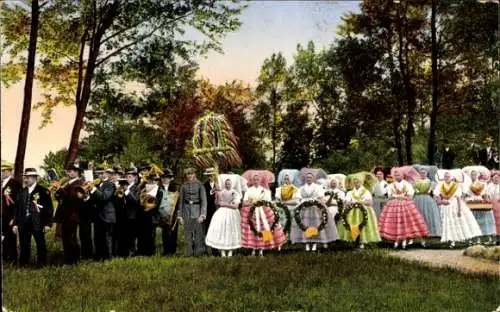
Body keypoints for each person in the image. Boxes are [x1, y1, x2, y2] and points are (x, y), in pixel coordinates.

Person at [12, 168, 53, 267]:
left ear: (35, 178)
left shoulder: (43, 191)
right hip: (23, 222)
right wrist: (15, 224)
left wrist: (47, 224)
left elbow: (49, 209)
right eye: (25, 177)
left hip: (38, 222)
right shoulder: (21, 192)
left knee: (40, 243)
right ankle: (24, 264)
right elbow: (17, 209)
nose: (26, 179)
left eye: (28, 177)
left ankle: (41, 264)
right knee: (24, 244)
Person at [378, 170, 429, 249]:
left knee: (407, 222)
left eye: (399, 175)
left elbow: (410, 196)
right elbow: (389, 196)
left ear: (402, 176)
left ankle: (405, 239)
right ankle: (397, 240)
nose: (397, 176)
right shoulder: (391, 185)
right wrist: (395, 197)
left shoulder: (407, 184)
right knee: (396, 222)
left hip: (406, 205)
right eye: (396, 175)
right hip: (393, 205)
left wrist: (403, 197)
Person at [240, 174, 286, 256]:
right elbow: (244, 202)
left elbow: (268, 202)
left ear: (260, 181)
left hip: (263, 212)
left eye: (257, 179)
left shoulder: (265, 190)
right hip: (252, 211)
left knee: (264, 228)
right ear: (252, 181)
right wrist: (252, 202)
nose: (256, 181)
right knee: (253, 230)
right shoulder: (248, 190)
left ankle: (262, 249)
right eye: (254, 179)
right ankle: (253, 249)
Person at [434, 171, 482, 248]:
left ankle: (470, 239)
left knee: (463, 221)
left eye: (448, 176)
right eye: (445, 176)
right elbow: (438, 198)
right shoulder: (440, 185)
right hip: (446, 206)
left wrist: (459, 210)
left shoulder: (456, 186)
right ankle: (452, 241)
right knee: (449, 223)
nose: (447, 178)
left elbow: (459, 199)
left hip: (455, 205)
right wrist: (441, 201)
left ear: (451, 177)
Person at [292, 172, 336, 252]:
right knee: (305, 225)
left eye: (310, 177)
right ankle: (307, 244)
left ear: (313, 179)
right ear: (305, 179)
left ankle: (315, 243)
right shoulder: (301, 188)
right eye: (307, 177)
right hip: (304, 208)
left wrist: (316, 202)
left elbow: (321, 198)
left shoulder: (318, 187)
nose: (309, 179)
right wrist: (300, 204)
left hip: (315, 208)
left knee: (315, 225)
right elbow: (298, 199)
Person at [53, 163, 85, 264]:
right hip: (64, 214)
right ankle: (68, 259)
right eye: (69, 170)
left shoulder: (79, 183)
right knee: (66, 238)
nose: (69, 172)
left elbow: (72, 199)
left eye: (72, 171)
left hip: (72, 215)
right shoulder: (68, 182)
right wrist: (57, 192)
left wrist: (60, 189)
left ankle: (74, 260)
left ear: (77, 172)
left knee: (71, 238)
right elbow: (60, 197)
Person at [337, 177, 381, 249]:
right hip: (352, 211)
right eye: (354, 182)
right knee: (352, 224)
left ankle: (361, 241)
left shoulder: (366, 191)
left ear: (361, 182)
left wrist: (360, 202)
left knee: (362, 225)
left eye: (357, 182)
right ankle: (354, 241)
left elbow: (370, 202)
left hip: (363, 210)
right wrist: (350, 202)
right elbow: (346, 202)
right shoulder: (350, 192)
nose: (356, 183)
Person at [205, 178, 242, 257]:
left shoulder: (235, 192)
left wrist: (225, 204)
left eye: (229, 183)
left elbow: (235, 206)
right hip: (222, 212)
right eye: (226, 183)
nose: (227, 185)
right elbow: (218, 203)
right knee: (222, 230)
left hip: (232, 213)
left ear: (231, 184)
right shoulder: (222, 192)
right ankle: (222, 251)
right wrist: (217, 197)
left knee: (231, 230)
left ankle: (230, 251)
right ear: (224, 184)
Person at [88, 168, 116, 260]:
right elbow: (95, 199)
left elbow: (104, 197)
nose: (102, 175)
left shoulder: (110, 185)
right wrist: (88, 193)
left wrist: (94, 189)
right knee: (97, 237)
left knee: (107, 237)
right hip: (98, 215)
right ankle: (98, 256)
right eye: (100, 173)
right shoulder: (99, 184)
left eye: (104, 173)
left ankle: (108, 258)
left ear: (109, 175)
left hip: (107, 215)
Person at [179, 168, 207, 256]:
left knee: (198, 233)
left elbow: (204, 201)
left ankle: (198, 252)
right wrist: (180, 215)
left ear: (194, 174)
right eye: (188, 174)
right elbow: (181, 202)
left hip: (197, 210)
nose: (190, 176)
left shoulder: (200, 185)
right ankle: (188, 252)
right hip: (186, 211)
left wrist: (202, 215)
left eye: (191, 174)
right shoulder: (184, 186)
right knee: (188, 233)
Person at [463, 170, 496, 244]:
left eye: (475, 174)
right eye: (472, 174)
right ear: (470, 175)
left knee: (485, 222)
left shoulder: (482, 184)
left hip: (480, 204)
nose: (474, 176)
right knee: (472, 222)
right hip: (471, 204)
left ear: (478, 175)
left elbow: (485, 195)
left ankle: (490, 238)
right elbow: (465, 194)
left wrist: (487, 201)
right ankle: (474, 239)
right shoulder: (467, 184)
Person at [1, 161, 22, 264]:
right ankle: (5, 258)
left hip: (10, 217)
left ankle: (13, 260)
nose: (1, 173)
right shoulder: (1, 184)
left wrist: (15, 218)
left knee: (11, 238)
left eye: (3, 171)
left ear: (9, 171)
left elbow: (18, 204)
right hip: (2, 216)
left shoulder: (15, 184)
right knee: (3, 238)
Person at [412, 168, 442, 238]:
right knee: (418, 214)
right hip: (417, 199)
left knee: (428, 214)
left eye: (424, 173)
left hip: (427, 199)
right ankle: (418, 231)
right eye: (421, 173)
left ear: (426, 174)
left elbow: (434, 193)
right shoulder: (415, 182)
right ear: (419, 174)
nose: (422, 174)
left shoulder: (431, 183)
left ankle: (429, 231)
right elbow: (413, 192)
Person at [157, 169, 181, 256]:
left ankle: (173, 251)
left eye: (167, 177)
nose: (165, 179)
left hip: (173, 213)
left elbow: (178, 201)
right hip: (163, 213)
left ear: (171, 178)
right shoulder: (158, 188)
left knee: (174, 232)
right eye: (163, 177)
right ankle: (166, 251)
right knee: (165, 232)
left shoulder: (175, 188)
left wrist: (178, 212)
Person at [122, 168, 140, 256]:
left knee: (132, 234)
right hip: (124, 214)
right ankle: (125, 251)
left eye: (129, 177)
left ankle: (132, 251)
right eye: (127, 177)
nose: (127, 179)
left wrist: (127, 191)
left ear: (134, 178)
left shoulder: (136, 188)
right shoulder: (124, 187)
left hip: (132, 215)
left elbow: (135, 200)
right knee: (125, 234)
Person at [203, 167, 219, 256]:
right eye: (209, 176)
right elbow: (204, 198)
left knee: (216, 231)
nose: (211, 177)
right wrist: (211, 192)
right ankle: (208, 251)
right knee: (208, 231)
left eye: (212, 175)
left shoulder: (219, 185)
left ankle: (216, 251)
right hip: (208, 212)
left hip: (218, 211)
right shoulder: (204, 185)